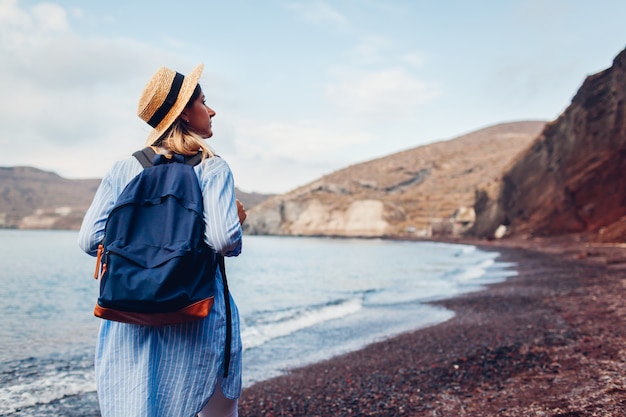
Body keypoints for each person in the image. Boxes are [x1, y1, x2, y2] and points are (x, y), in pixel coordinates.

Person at [78, 63, 246, 417]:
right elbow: (223, 239)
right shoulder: (211, 167)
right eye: (204, 102)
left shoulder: (124, 169)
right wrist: (237, 221)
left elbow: (90, 239)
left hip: (129, 310)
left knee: (139, 402)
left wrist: (143, 250)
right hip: (194, 310)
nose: (211, 110)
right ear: (184, 114)